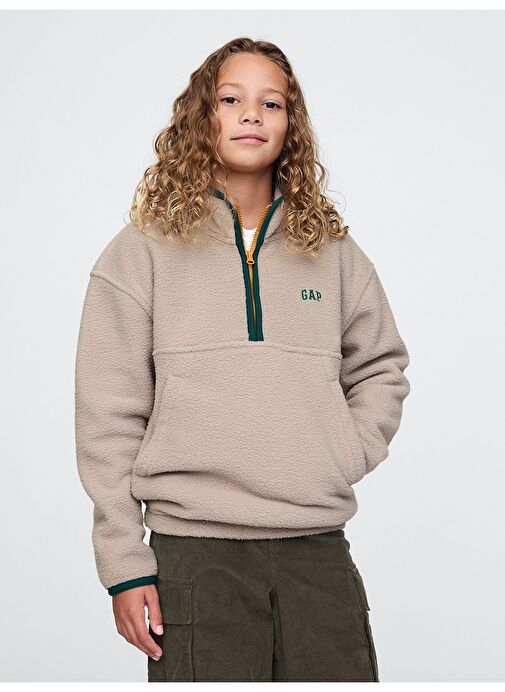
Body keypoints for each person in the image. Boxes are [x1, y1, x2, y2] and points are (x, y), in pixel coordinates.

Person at [75, 37, 410, 682]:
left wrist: (342, 450)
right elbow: (107, 418)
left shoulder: (334, 253)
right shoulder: (140, 252)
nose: (252, 114)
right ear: (202, 116)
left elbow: (381, 366)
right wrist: (124, 566)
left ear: (291, 125)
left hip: (316, 550)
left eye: (271, 103)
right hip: (192, 555)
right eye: (231, 99)